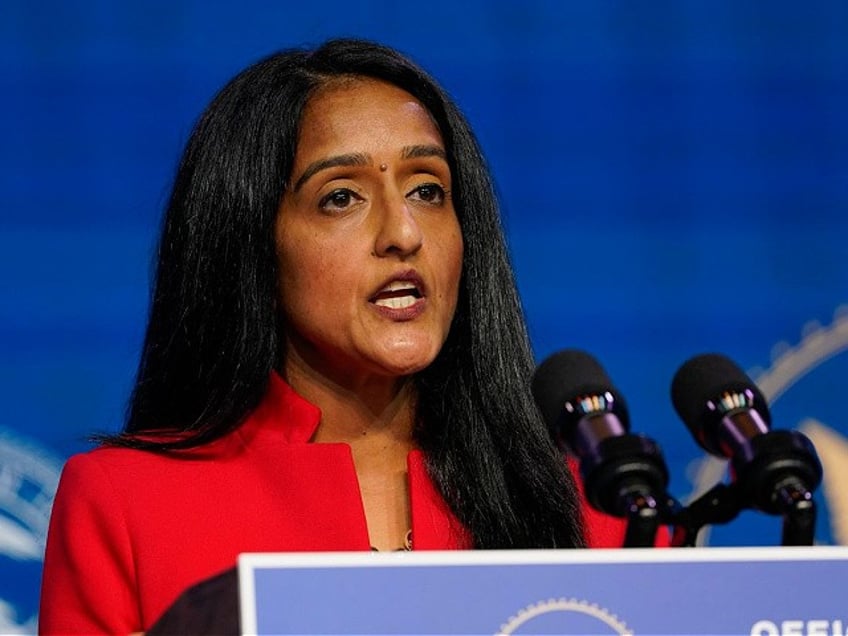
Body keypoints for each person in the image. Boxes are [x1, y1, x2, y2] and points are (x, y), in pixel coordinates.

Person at [39, 38, 636, 634]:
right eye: (341, 197)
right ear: (253, 246)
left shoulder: (601, 509)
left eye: (427, 190)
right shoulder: (128, 504)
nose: (403, 232)